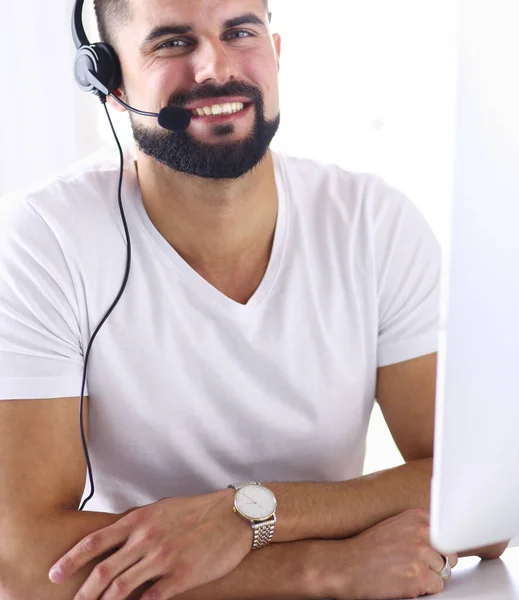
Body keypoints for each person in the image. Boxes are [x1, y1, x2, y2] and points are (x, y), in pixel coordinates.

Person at [0, 1, 509, 599]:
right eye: (171, 43)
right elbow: (21, 557)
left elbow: (480, 506)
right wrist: (320, 571)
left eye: (240, 32)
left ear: (275, 53)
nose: (215, 68)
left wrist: (250, 515)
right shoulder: (43, 240)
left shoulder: (373, 222)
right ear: (108, 82)